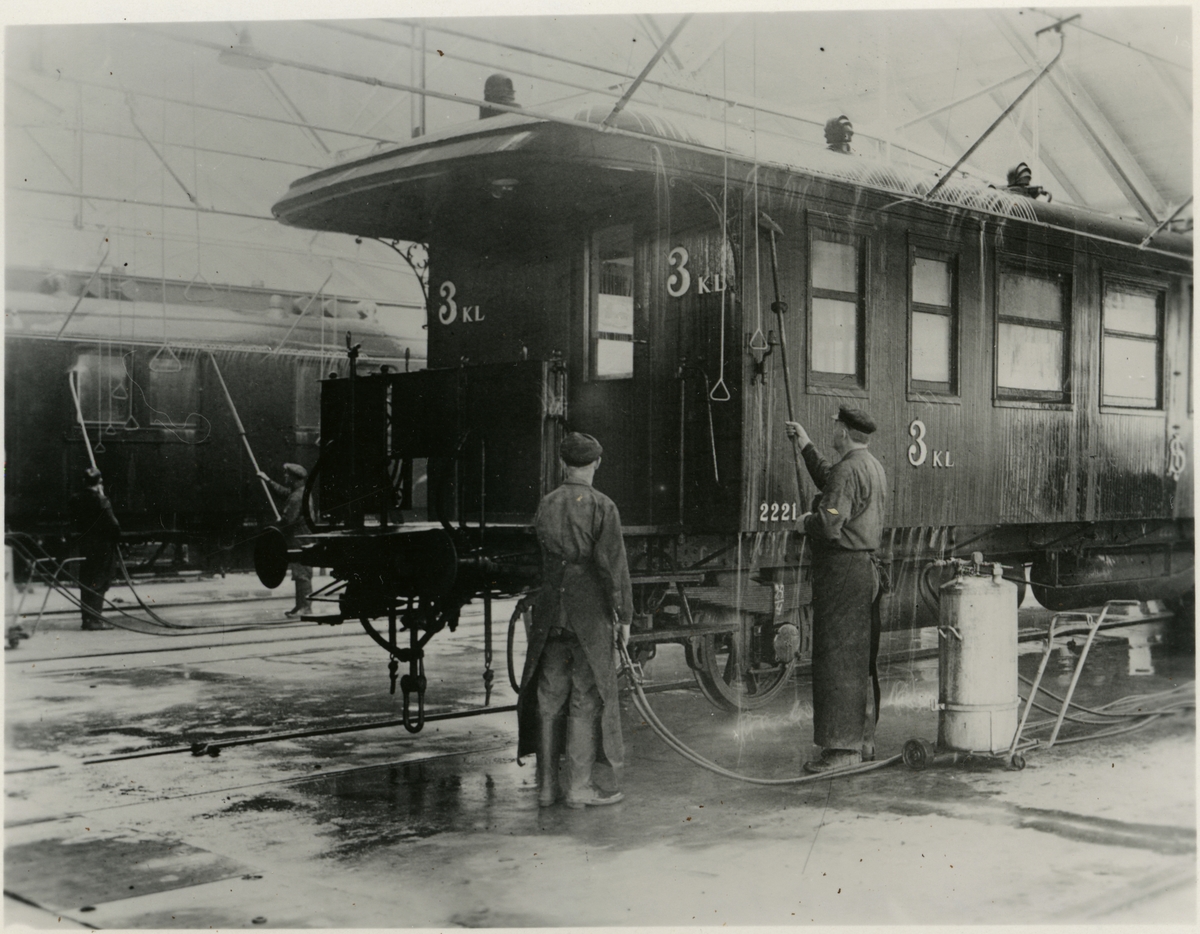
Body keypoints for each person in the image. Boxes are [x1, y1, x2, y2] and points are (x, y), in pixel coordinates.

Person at [516, 432, 633, 809]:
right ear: (596, 464)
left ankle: (547, 788)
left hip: (551, 613)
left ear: (564, 464)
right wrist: (624, 617)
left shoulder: (545, 504)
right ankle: (578, 788)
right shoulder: (603, 506)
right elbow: (614, 569)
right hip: (588, 616)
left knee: (549, 698)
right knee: (585, 697)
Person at [785, 407, 887, 773]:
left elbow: (829, 525)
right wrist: (806, 445)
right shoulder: (871, 465)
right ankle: (863, 741)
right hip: (865, 570)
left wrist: (804, 523)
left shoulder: (848, 470)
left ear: (843, 431)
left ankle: (841, 752)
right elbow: (832, 482)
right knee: (860, 659)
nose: (833, 432)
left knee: (838, 659)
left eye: (834, 429)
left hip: (842, 572)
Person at [258, 463, 313, 616]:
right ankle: (300, 606)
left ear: (295, 478)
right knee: (299, 573)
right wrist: (268, 480)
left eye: (287, 475)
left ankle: (306, 607)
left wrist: (279, 521)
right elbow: (284, 492)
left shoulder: (297, 497)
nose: (285, 477)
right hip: (302, 537)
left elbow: (289, 520)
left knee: (302, 574)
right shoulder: (300, 492)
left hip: (299, 539)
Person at [70, 467, 122, 630]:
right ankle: (95, 620)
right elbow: (114, 525)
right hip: (102, 546)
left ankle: (86, 619)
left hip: (86, 544)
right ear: (99, 482)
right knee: (100, 582)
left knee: (86, 580)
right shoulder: (102, 500)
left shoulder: (75, 499)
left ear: (84, 481)